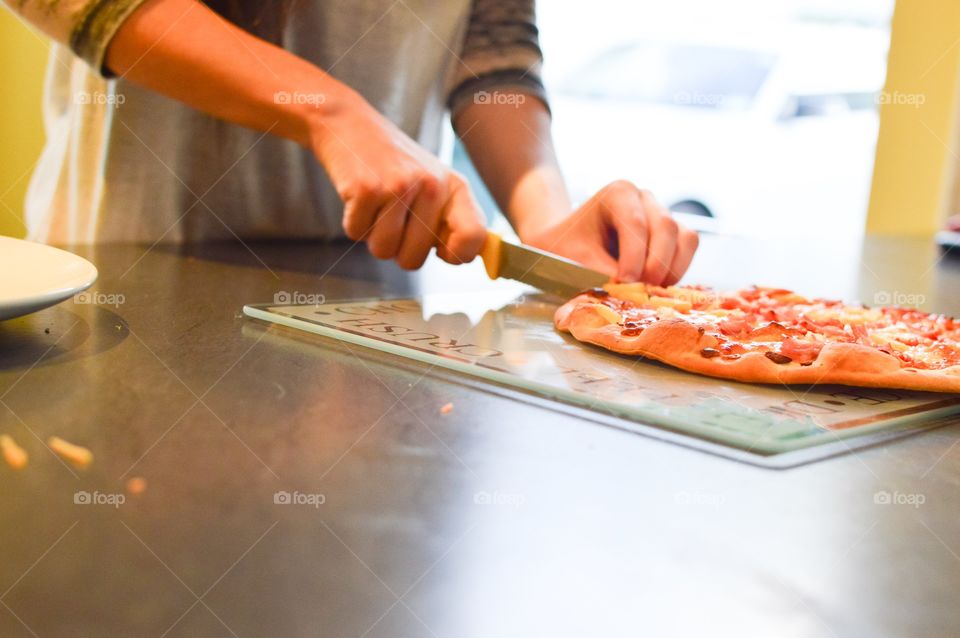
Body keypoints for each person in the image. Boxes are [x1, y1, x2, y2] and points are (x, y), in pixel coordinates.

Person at [4, 0, 699, 284]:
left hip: (375, 287)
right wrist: (331, 113)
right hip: (140, 268)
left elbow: (491, 46)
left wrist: (544, 218)